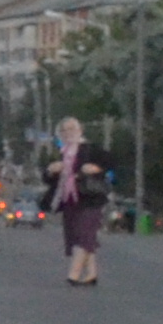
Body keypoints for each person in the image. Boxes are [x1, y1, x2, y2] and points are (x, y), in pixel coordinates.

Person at [38, 115, 116, 288]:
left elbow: (111, 162)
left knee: (83, 235)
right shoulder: (59, 153)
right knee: (77, 236)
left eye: (72, 129)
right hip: (69, 200)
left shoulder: (89, 149)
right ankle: (91, 273)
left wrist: (97, 169)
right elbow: (47, 178)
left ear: (80, 130)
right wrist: (51, 171)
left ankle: (73, 275)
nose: (68, 133)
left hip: (91, 198)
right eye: (64, 130)